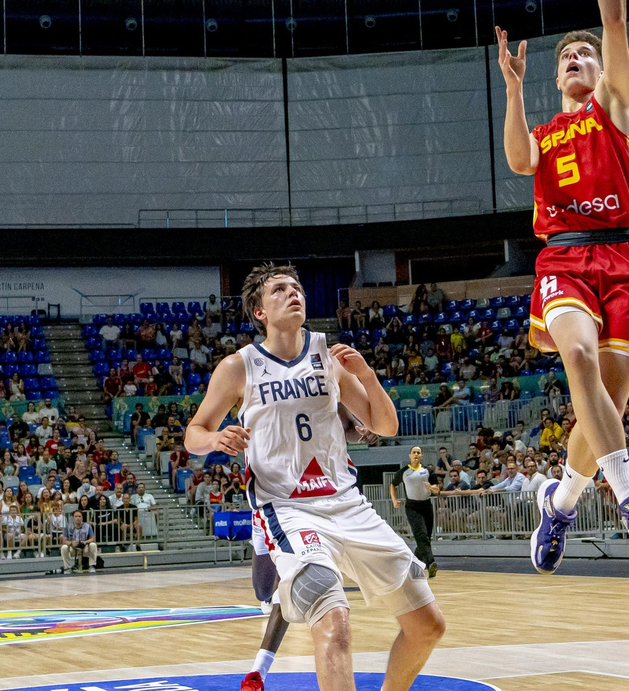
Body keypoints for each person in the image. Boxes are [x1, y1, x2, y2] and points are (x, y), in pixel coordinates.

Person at [495, 0, 629, 575]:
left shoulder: (614, 110)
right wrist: (512, 90)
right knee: (580, 360)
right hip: (565, 258)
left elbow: (614, 18)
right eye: (566, 56)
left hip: (628, 258)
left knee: (605, 407)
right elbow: (517, 161)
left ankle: (560, 503)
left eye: (584, 54)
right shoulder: (544, 131)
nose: (575, 58)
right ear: (556, 75)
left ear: (599, 71)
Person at [185, 264, 444, 691]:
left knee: (428, 625)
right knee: (333, 620)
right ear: (259, 312)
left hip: (348, 504)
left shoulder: (329, 355)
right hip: (288, 509)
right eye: (279, 290)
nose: (294, 293)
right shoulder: (238, 367)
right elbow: (193, 434)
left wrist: (367, 375)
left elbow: (385, 425)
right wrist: (214, 438)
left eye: (297, 288)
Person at [241, 532, 291, 691]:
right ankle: (270, 594)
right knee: (262, 591)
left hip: (291, 525)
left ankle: (257, 675)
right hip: (263, 523)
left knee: (284, 585)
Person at [389, 444, 440, 579]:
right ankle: (431, 563)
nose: (416, 455)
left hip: (426, 506)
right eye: (414, 452)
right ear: (410, 455)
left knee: (425, 538)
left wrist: (431, 487)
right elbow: (393, 485)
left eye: (418, 452)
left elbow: (437, 489)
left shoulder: (427, 471)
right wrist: (394, 500)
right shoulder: (404, 472)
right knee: (421, 536)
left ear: (421, 455)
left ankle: (413, 563)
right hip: (412, 507)